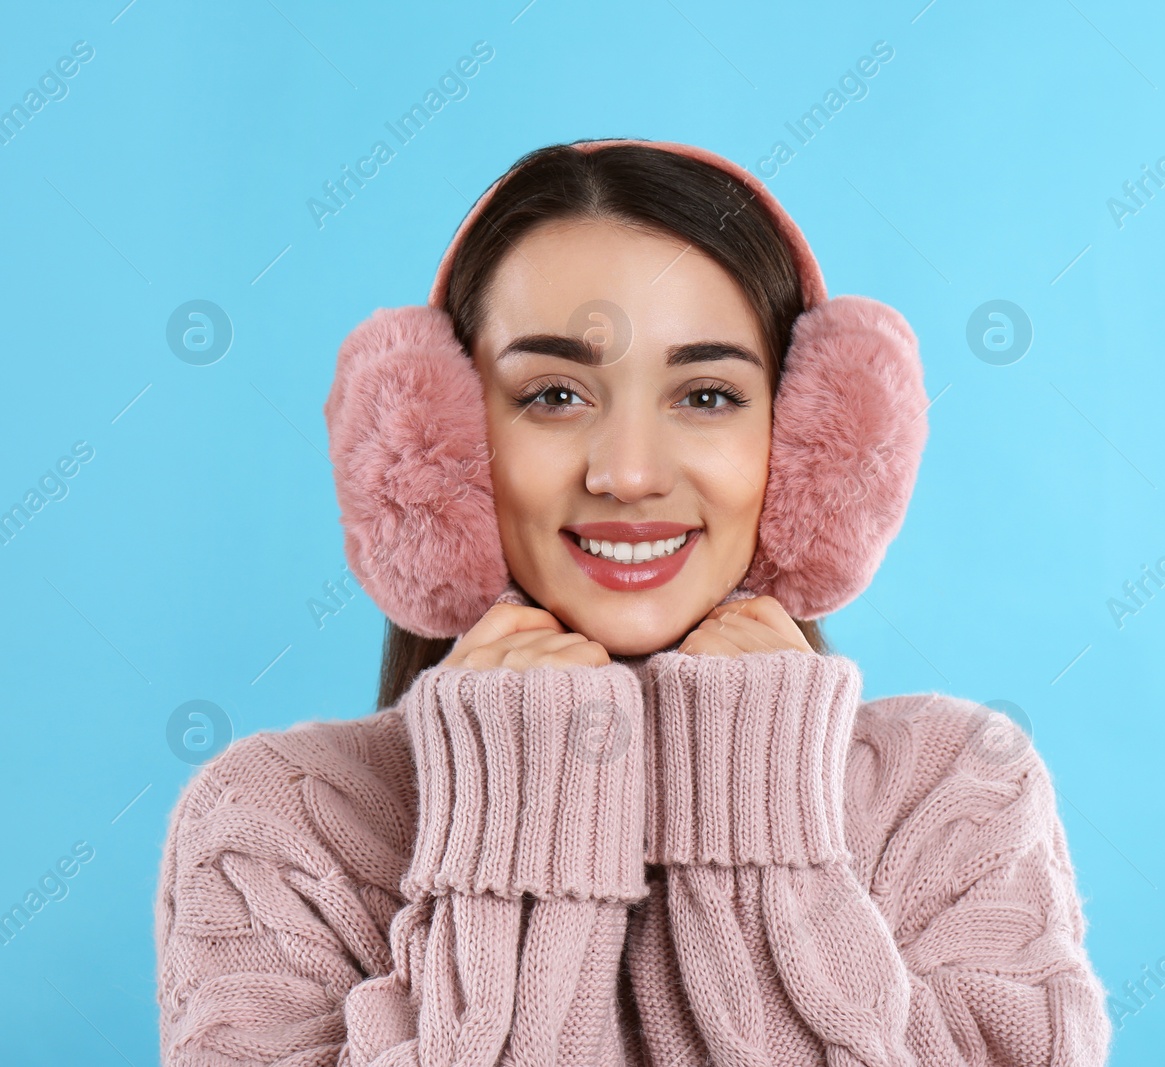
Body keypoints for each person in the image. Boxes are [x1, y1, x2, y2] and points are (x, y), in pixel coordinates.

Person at [153, 138, 1112, 1065]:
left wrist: (755, 827)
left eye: (706, 395)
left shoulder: (959, 792)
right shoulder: (272, 828)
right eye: (554, 395)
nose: (628, 473)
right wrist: (516, 830)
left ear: (811, 451)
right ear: (434, 449)